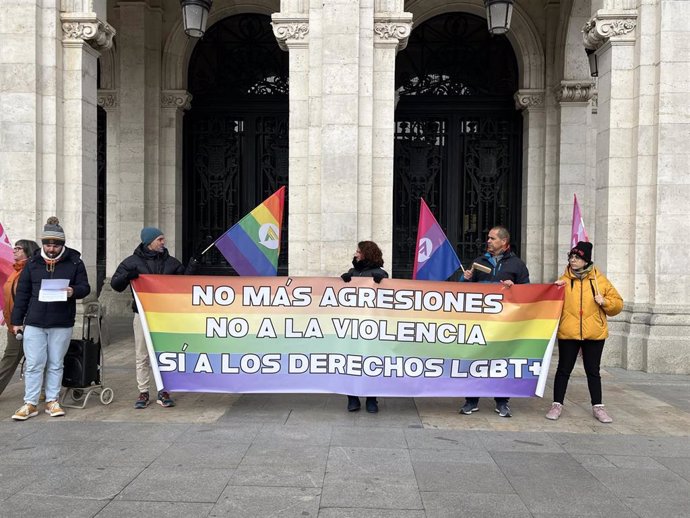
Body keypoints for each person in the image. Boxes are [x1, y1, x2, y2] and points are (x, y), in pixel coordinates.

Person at [10, 218, 91, 420]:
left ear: (62, 244)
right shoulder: (33, 263)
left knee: (56, 362)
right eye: (48, 244)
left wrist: (73, 291)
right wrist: (17, 321)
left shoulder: (75, 262)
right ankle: (30, 402)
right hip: (35, 321)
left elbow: (85, 287)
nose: (51, 248)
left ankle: (52, 400)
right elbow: (22, 293)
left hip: (61, 321)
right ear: (43, 243)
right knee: (34, 363)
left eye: (55, 245)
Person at [111, 227, 198, 409]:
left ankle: (163, 391)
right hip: (142, 314)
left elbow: (183, 286)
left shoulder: (172, 263)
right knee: (142, 355)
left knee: (164, 355)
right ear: (148, 242)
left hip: (165, 317)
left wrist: (192, 267)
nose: (163, 242)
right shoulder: (131, 262)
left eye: (163, 239)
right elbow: (116, 285)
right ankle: (143, 391)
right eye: (159, 239)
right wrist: (128, 276)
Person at [545, 241, 623, 423]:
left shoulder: (600, 280)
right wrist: (553, 291)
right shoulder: (563, 281)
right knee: (563, 370)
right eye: (571, 257)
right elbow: (549, 303)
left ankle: (598, 407)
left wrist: (605, 302)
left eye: (577, 257)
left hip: (594, 333)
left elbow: (618, 304)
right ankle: (557, 405)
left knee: (593, 371)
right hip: (569, 333)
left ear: (586, 260)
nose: (573, 260)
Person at [459, 226, 530, 418]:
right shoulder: (478, 261)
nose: (488, 241)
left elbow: (527, 293)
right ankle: (471, 400)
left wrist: (514, 288)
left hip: (504, 323)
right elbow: (462, 293)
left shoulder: (517, 265)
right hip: (480, 322)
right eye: (488, 238)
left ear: (504, 242)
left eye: (492, 238)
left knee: (502, 360)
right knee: (475, 359)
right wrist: (465, 279)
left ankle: (502, 401)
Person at [340, 240, 388, 413]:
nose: (356, 253)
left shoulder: (380, 273)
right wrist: (344, 281)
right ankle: (352, 398)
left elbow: (387, 299)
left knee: (370, 362)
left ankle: (371, 399)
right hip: (353, 326)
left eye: (359, 251)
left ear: (366, 253)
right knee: (351, 362)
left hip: (371, 327)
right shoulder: (352, 272)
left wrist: (382, 283)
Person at [0, 239, 40, 397]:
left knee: (12, 359)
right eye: (14, 247)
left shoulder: (29, 271)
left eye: (18, 248)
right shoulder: (16, 270)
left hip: (24, 324)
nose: (14, 250)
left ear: (28, 251)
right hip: (14, 324)